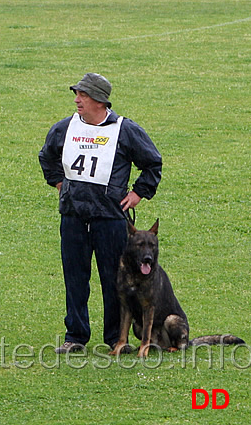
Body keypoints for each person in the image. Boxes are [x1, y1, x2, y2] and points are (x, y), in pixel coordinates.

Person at [38, 73, 162, 353]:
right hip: (73, 216)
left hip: (110, 218)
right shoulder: (65, 128)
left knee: (114, 279)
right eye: (77, 94)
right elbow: (47, 155)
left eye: (82, 95)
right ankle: (75, 337)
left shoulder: (125, 130)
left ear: (98, 100)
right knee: (75, 277)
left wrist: (139, 193)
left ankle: (114, 338)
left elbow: (152, 162)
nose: (76, 100)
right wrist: (58, 181)